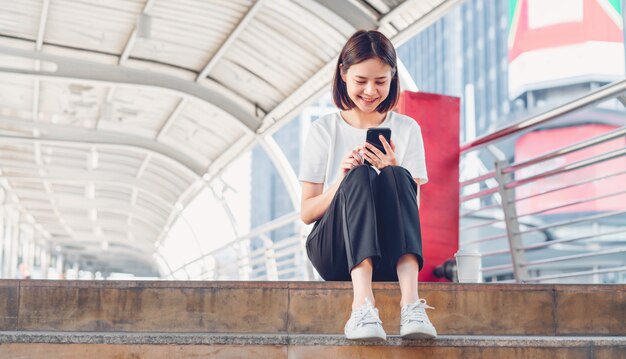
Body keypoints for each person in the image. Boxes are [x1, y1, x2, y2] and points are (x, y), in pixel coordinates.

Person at [299, 30, 437, 341]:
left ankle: (411, 305)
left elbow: (410, 210)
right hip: (334, 252)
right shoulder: (324, 131)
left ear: (392, 78)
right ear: (343, 74)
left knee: (398, 176)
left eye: (380, 81)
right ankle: (362, 306)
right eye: (361, 81)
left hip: (388, 251)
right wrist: (341, 181)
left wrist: (393, 170)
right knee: (359, 176)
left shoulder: (407, 128)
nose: (371, 91)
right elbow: (307, 212)